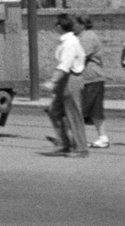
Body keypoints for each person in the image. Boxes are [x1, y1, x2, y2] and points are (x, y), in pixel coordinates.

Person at [45, 13, 89, 157]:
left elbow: (65, 65)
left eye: (56, 24)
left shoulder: (70, 42)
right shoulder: (66, 41)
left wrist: (53, 81)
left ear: (59, 26)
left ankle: (81, 148)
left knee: (73, 115)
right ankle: (66, 145)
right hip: (65, 80)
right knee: (54, 111)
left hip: (71, 79)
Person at [77, 14, 109, 149]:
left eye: (75, 23)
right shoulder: (82, 36)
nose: (73, 26)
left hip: (91, 78)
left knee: (78, 110)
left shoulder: (88, 37)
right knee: (96, 111)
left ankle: (72, 139)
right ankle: (103, 138)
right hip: (91, 78)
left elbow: (79, 56)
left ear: (82, 24)